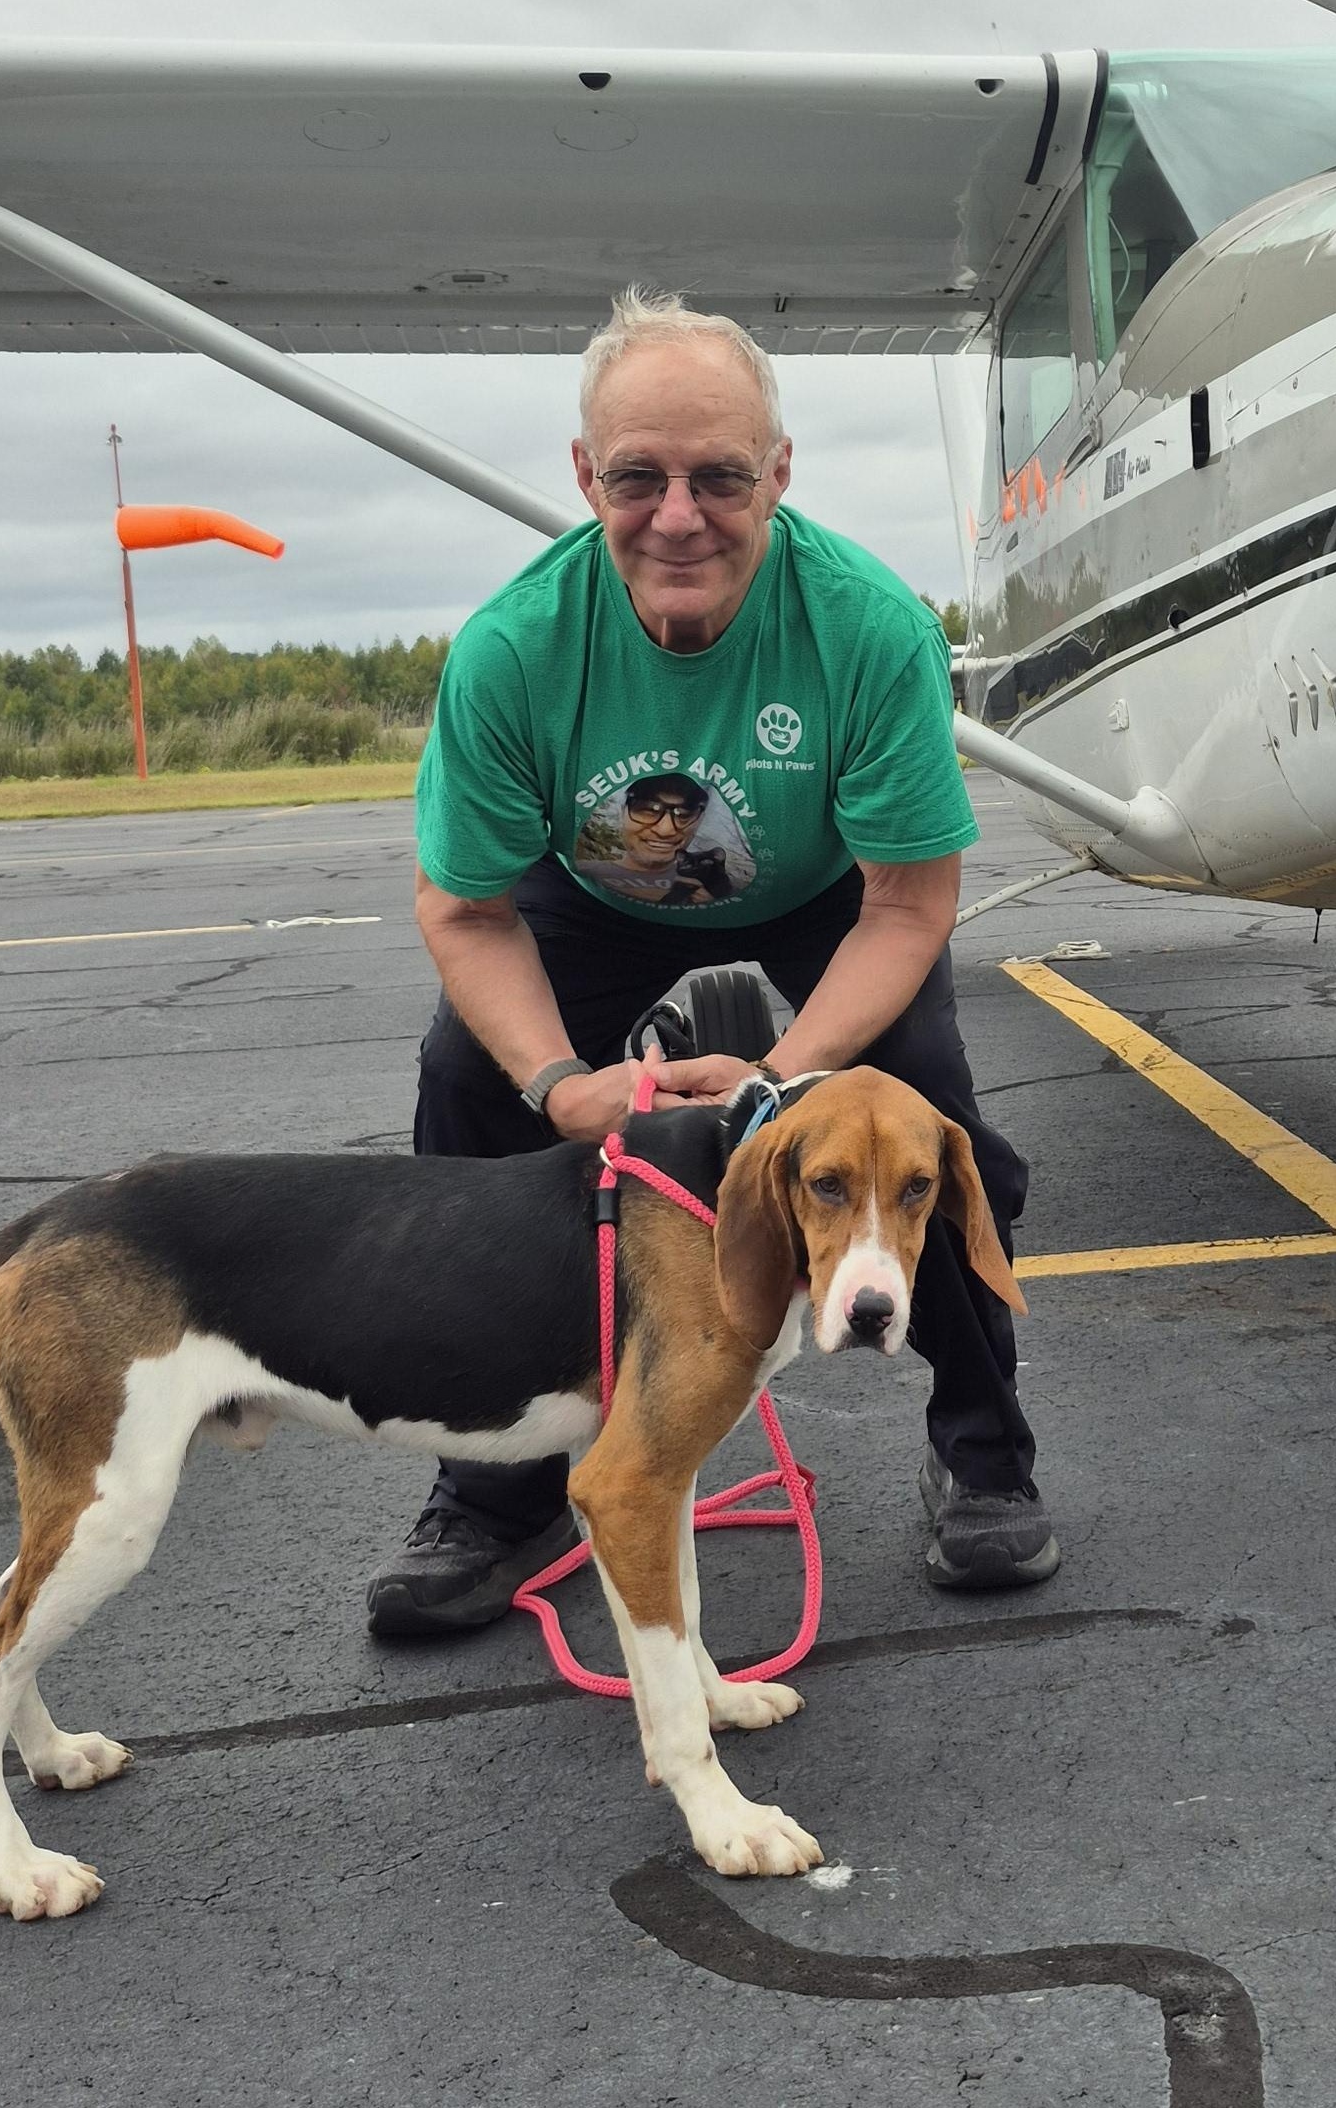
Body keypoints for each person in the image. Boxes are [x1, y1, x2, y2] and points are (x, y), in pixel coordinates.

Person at [367, 286, 1059, 1636]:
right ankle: (493, 1488)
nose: (677, 514)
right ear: (585, 476)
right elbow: (465, 911)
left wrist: (785, 1086)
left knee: (926, 1112)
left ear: (778, 475)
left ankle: (984, 1450)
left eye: (719, 477)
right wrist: (566, 1087)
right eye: (638, 476)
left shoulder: (866, 627)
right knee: (465, 1084)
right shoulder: (514, 649)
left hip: (825, 896)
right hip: (594, 903)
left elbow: (908, 907)